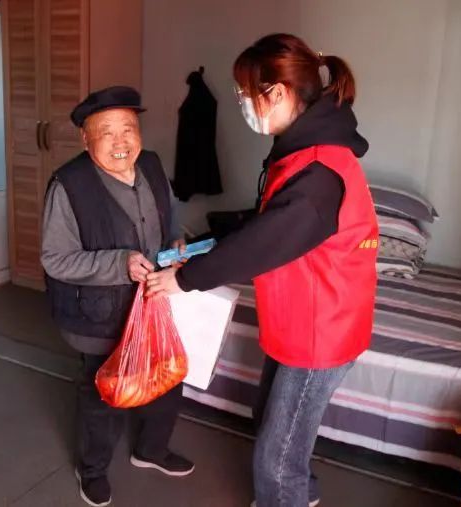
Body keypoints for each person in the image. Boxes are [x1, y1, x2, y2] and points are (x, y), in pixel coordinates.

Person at [146, 34, 378, 507]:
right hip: (303, 319)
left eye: (245, 93)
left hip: (321, 331)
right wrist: (204, 244)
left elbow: (262, 243)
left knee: (276, 455)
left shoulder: (319, 172)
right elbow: (266, 223)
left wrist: (184, 280)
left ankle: (285, 497)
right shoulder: (300, 153)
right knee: (276, 425)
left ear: (277, 92)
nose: (243, 104)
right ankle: (301, 494)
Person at [41, 86, 193, 507]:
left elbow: (171, 218)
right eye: (106, 132)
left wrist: (177, 241)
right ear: (85, 139)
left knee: (166, 379)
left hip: (153, 303)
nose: (120, 140)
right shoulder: (69, 185)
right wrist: (118, 263)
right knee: (102, 396)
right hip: (98, 315)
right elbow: (55, 260)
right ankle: (91, 470)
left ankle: (151, 450)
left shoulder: (152, 165)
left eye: (128, 128)